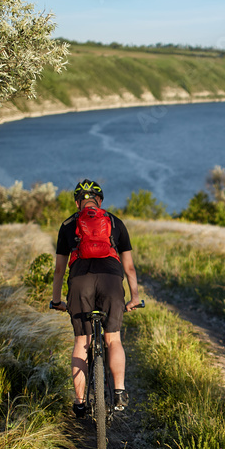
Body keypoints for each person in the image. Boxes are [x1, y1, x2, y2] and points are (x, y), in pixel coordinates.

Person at [51, 178, 142, 418]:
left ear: (78, 202)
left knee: (82, 341)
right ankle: (120, 391)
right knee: (113, 339)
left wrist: (56, 299)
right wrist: (134, 297)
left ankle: (80, 402)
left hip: (80, 282)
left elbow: (59, 269)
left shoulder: (68, 225)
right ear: (99, 200)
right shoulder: (114, 222)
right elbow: (129, 267)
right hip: (111, 281)